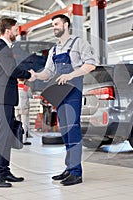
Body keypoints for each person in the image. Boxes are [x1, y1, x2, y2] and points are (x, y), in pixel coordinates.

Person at [29, 14, 96, 186]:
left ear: (66, 24)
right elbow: (48, 73)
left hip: (73, 91)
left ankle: (76, 172)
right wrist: (36, 75)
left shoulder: (79, 43)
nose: (54, 27)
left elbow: (90, 65)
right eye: (53, 25)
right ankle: (69, 168)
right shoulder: (54, 49)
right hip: (60, 94)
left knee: (73, 130)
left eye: (56, 24)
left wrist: (70, 75)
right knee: (65, 132)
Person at [0, 17, 32, 188]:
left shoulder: (4, 47)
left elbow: (8, 72)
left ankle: (4, 171)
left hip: (6, 98)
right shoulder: (2, 47)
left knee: (7, 136)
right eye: (15, 29)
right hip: (1, 98)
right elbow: (11, 70)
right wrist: (29, 74)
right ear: (8, 30)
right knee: (1, 137)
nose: (17, 32)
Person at [15, 78, 32, 145]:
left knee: (17, 124)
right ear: (25, 80)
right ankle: (24, 140)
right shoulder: (26, 88)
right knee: (24, 124)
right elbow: (30, 96)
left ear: (17, 79)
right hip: (24, 108)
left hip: (16, 108)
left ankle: (17, 139)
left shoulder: (15, 87)